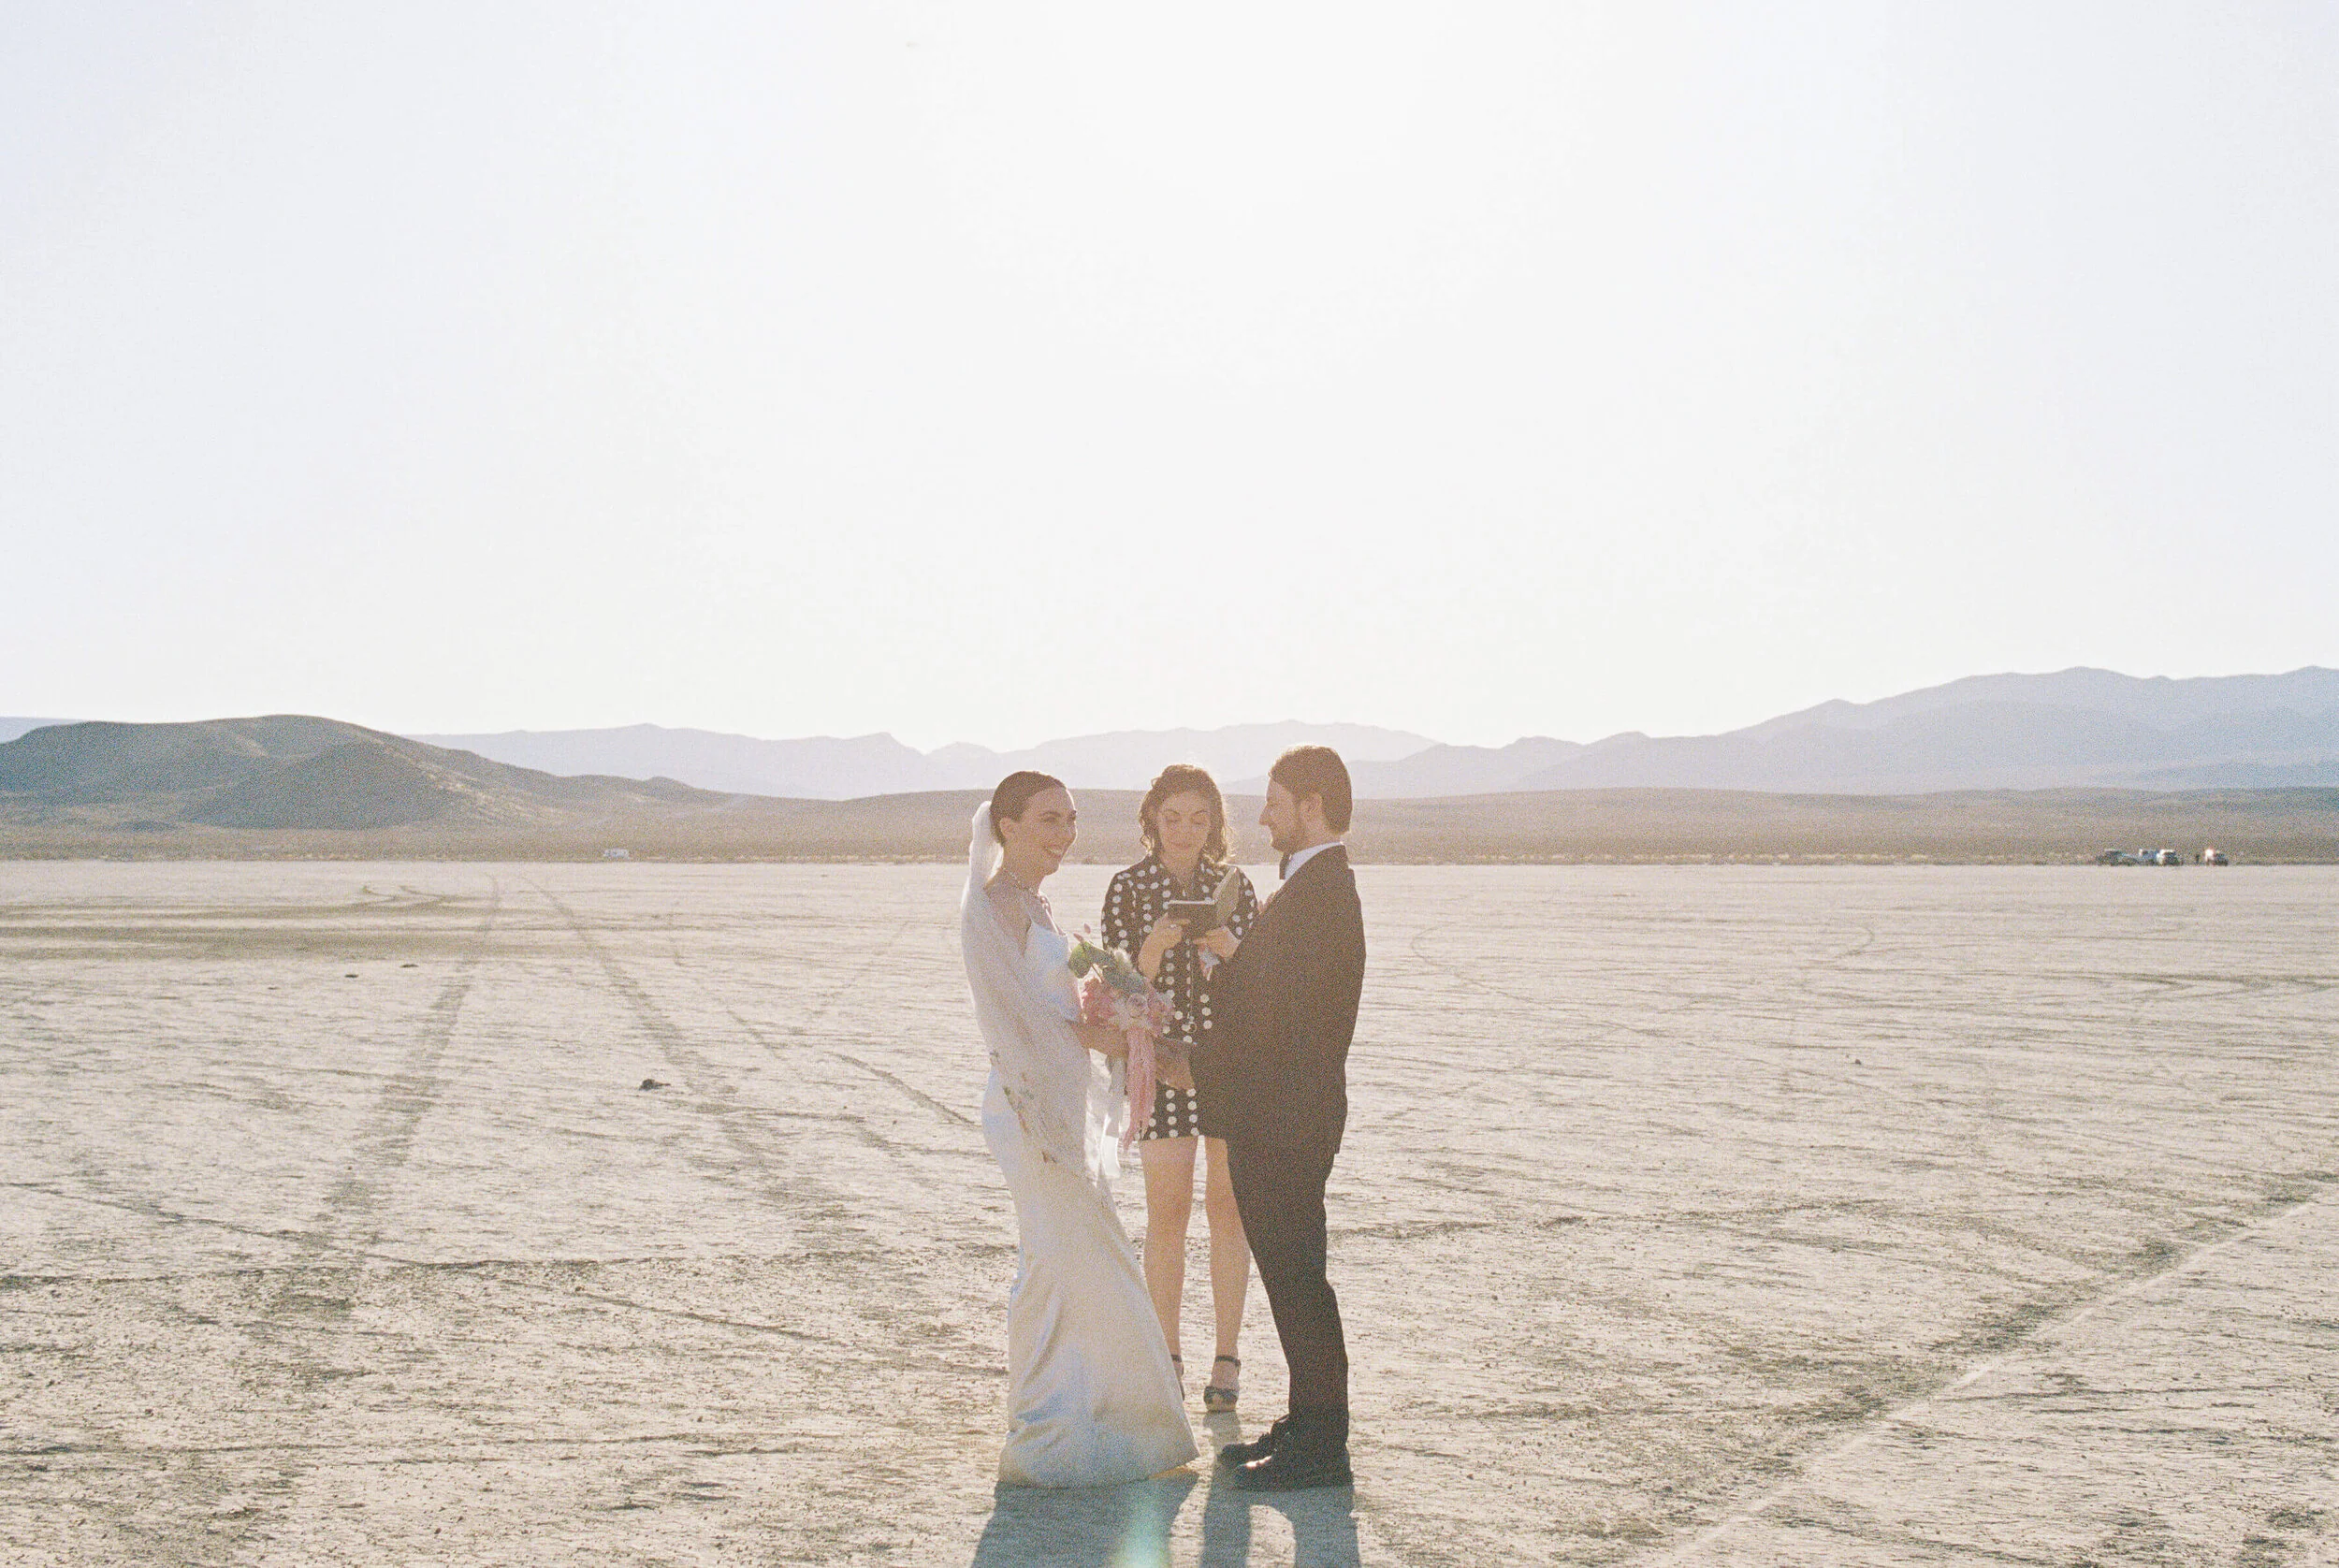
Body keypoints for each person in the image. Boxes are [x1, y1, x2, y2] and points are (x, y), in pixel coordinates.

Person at [960, 771, 1199, 1487]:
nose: (1064, 833)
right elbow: (1020, 1021)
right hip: (1029, 1109)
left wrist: (1127, 1008)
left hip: (1061, 1103)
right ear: (1007, 826)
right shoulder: (991, 908)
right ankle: (1045, 1438)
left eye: (1071, 819)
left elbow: (1067, 997)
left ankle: (1102, 1427)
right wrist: (1116, 1038)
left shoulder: (1037, 905)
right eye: (1049, 819)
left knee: (1080, 1262)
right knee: (1057, 1263)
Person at [1192, 746, 1367, 1490]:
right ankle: (1307, 1424)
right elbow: (1278, 997)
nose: (1262, 817)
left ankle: (1323, 1447)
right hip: (1280, 1115)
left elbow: (1282, 1021)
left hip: (1287, 1120)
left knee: (1300, 1283)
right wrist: (1235, 972)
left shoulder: (1321, 893)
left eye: (1274, 802)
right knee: (1293, 1280)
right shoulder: (1310, 888)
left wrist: (1190, 1058)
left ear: (1312, 806)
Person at [1100, 764, 1261, 1413]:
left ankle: (1227, 1357)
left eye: (1199, 819)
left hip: (1229, 1062)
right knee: (1167, 1212)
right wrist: (1152, 950)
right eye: (1173, 818)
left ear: (1215, 823)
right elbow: (1113, 990)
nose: (1186, 831)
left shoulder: (1234, 887)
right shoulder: (1128, 887)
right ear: (1152, 820)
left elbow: (1263, 987)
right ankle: (1164, 1354)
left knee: (1229, 1210)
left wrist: (1232, 947)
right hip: (1163, 1064)